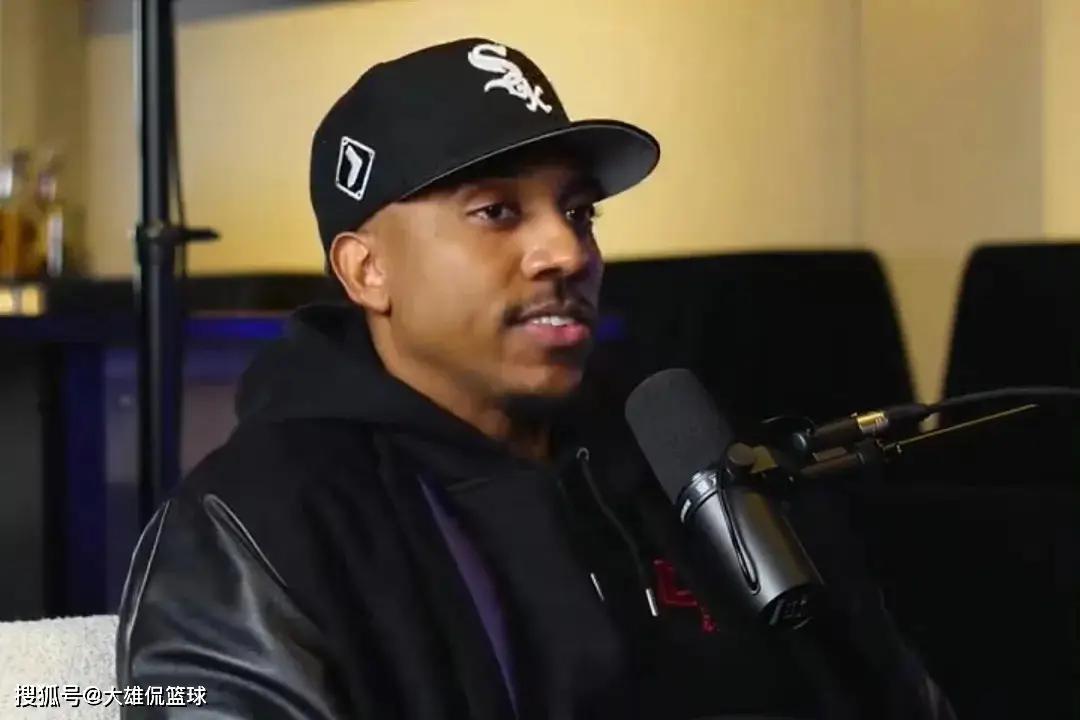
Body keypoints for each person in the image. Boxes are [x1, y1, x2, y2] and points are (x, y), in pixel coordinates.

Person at [116, 38, 954, 720]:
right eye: (497, 212)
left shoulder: (671, 461)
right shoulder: (253, 524)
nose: (567, 252)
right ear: (367, 270)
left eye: (579, 212)